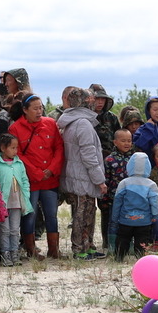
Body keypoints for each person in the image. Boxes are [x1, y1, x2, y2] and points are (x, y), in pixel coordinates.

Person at [9, 93, 64, 259]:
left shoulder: (50, 123)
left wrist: (52, 169)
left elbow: (59, 148)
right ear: (25, 110)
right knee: (30, 214)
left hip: (50, 179)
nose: (39, 111)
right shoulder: (15, 128)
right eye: (35, 108)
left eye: (41, 108)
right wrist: (35, 172)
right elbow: (17, 154)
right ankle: (31, 249)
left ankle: (54, 249)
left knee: (51, 215)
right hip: (30, 180)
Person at [57, 87, 107, 259]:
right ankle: (80, 249)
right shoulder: (83, 123)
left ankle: (88, 246)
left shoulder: (73, 121)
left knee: (88, 211)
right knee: (82, 214)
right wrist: (99, 180)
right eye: (90, 101)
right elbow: (89, 156)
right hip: (83, 178)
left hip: (79, 176)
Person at [110, 152, 158, 262]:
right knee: (142, 240)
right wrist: (155, 215)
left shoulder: (124, 183)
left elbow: (117, 202)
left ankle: (119, 257)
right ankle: (140, 258)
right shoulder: (151, 184)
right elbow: (155, 202)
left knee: (123, 239)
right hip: (144, 221)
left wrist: (115, 217)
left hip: (125, 220)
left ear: (130, 166)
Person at [0, 133, 32, 266]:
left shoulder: (19, 163)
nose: (15, 151)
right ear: (3, 148)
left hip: (16, 202)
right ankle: (5, 254)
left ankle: (15, 253)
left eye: (16, 148)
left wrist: (25, 195)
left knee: (15, 229)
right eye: (12, 148)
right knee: (4, 230)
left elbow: (25, 180)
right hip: (2, 203)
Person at [101, 129, 134, 252]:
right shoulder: (109, 160)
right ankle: (112, 246)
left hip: (130, 199)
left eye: (129, 141)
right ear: (115, 142)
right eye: (123, 140)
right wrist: (104, 199)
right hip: (113, 199)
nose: (127, 143)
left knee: (129, 221)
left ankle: (128, 246)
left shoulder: (134, 159)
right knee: (113, 222)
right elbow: (106, 180)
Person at [88, 84, 121, 157]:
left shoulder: (112, 117)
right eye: (97, 99)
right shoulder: (85, 118)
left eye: (103, 99)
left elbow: (119, 138)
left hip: (112, 159)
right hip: (93, 157)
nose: (100, 102)